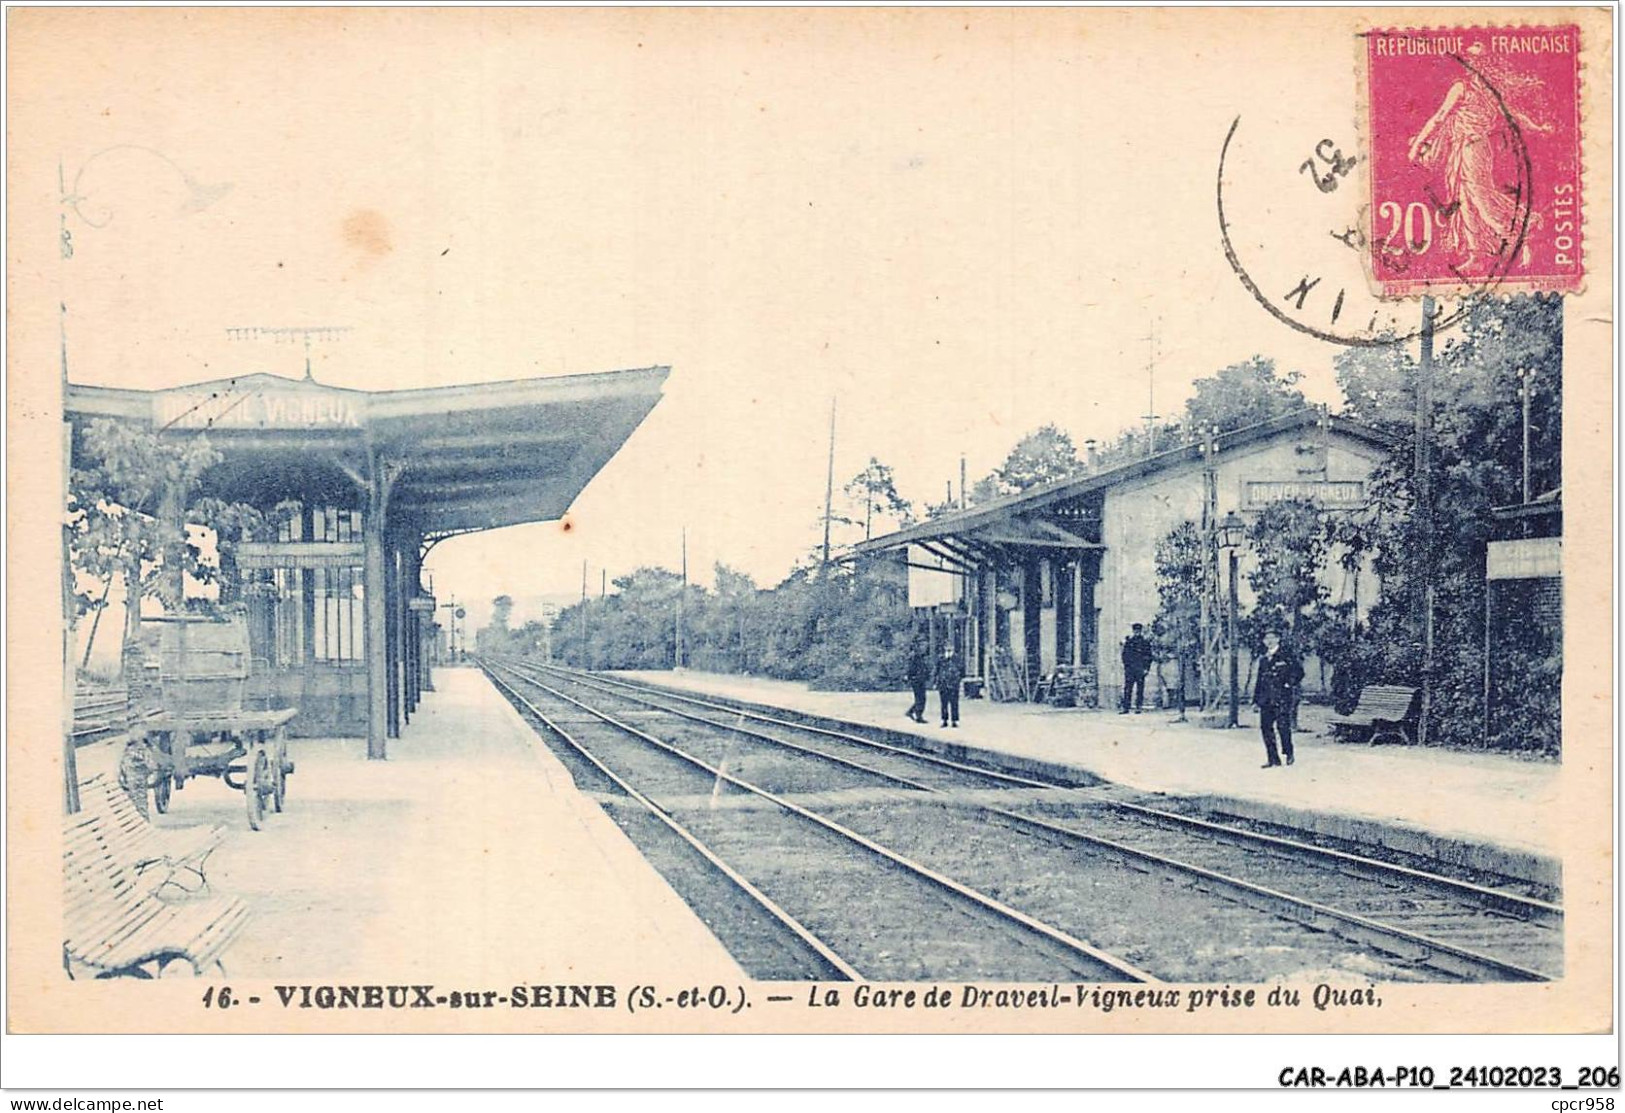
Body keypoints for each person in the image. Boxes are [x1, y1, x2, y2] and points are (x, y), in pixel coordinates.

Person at [1252, 629, 1304, 768]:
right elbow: (1259, 681)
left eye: (1272, 637)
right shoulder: (1263, 659)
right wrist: (1255, 701)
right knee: (1266, 728)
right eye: (1266, 638)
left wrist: (1289, 683)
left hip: (1282, 698)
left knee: (1283, 727)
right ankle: (1273, 759)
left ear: (1278, 639)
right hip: (1266, 699)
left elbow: (1299, 672)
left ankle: (1288, 753)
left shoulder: (1286, 656)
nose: (1269, 641)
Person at [1119, 623, 1153, 714]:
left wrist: (1146, 668)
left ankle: (1138, 706)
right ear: (1133, 631)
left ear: (1140, 631)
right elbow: (1124, 655)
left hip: (1140, 668)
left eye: (1138, 630)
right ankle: (1126, 707)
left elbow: (1148, 656)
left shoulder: (1145, 643)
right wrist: (1126, 666)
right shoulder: (1129, 641)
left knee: (1140, 688)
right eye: (1135, 630)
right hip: (1130, 669)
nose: (1137, 632)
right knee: (1128, 688)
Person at [933, 645, 964, 728]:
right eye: (947, 647)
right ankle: (944, 720)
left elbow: (961, 670)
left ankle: (954, 720)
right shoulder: (941, 658)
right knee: (944, 703)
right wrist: (935, 682)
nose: (949, 649)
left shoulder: (957, 658)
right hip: (943, 684)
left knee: (954, 703)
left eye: (950, 648)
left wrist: (958, 679)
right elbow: (936, 670)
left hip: (954, 684)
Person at [904, 638, 931, 724]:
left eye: (925, 646)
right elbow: (910, 668)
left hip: (920, 679)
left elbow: (923, 668)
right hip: (916, 679)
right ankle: (918, 716)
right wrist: (910, 677)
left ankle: (911, 712)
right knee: (920, 698)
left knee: (921, 698)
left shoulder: (920, 656)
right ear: (919, 646)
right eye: (923, 645)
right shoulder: (915, 656)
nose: (925, 648)